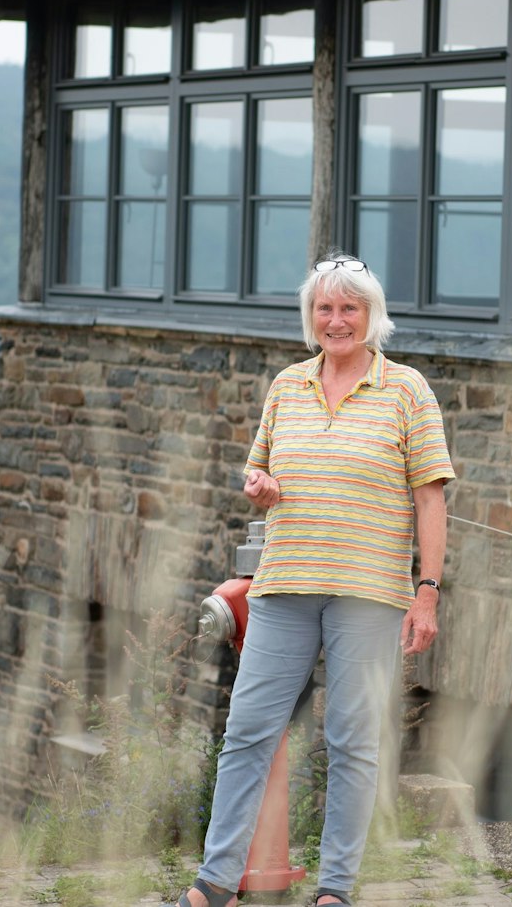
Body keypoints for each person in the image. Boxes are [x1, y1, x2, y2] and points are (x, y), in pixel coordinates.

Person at [168, 253, 454, 907]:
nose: (336, 319)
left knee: (351, 740)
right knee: (246, 730)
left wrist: (428, 589)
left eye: (349, 307)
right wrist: (262, 489)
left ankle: (335, 889)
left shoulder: (407, 389)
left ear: (371, 315)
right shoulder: (286, 386)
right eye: (325, 308)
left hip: (370, 594)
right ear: (311, 317)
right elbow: (259, 479)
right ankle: (215, 881)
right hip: (283, 585)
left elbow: (431, 500)